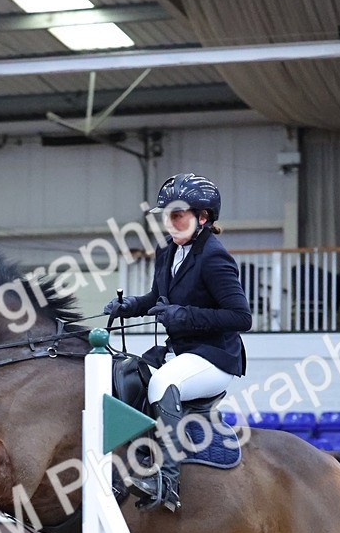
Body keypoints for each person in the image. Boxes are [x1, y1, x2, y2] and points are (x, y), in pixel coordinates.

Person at [103, 172, 252, 512]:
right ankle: (139, 453)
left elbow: (242, 317)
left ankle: (167, 480)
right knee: (126, 375)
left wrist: (185, 316)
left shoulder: (214, 257)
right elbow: (159, 297)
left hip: (215, 357)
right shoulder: (167, 252)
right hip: (181, 352)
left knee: (163, 383)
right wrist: (129, 307)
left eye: (178, 215)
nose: (170, 223)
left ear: (203, 218)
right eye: (167, 215)